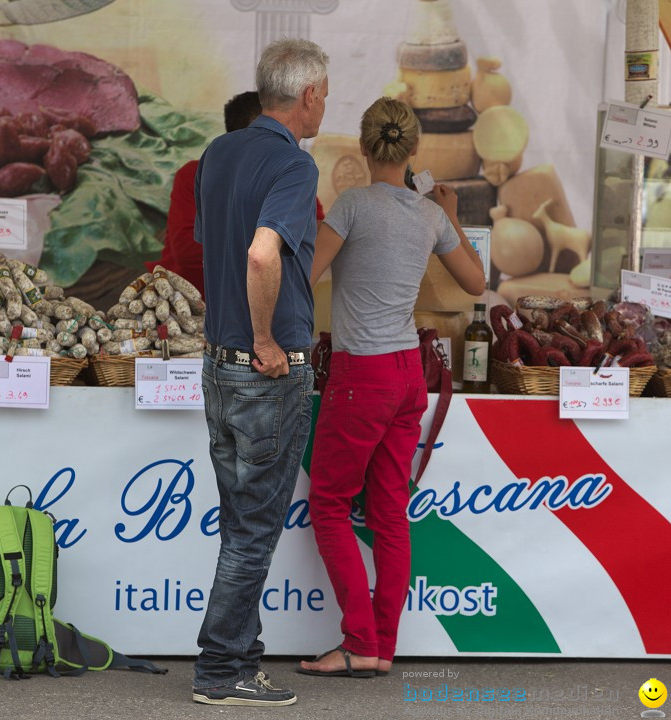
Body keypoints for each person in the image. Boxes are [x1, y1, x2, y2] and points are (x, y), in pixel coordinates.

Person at [299, 97, 485, 678]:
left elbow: (307, 277)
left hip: (362, 375)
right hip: (408, 374)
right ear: (413, 151)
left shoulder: (353, 205)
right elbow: (477, 283)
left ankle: (358, 641)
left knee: (329, 504)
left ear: (363, 146)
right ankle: (381, 646)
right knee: (389, 514)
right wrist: (448, 214)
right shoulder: (429, 217)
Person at [190, 37, 329, 707]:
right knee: (252, 532)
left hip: (218, 368)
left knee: (239, 522)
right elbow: (260, 253)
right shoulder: (295, 167)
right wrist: (269, 336)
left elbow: (213, 246)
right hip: (263, 372)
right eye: (325, 93)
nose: (325, 104)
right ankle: (220, 670)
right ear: (307, 96)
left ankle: (240, 657)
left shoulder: (218, 153)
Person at [152, 92, 324, 296]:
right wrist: (271, 247)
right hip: (191, 305)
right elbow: (188, 254)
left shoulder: (291, 175)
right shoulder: (194, 175)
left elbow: (317, 240)